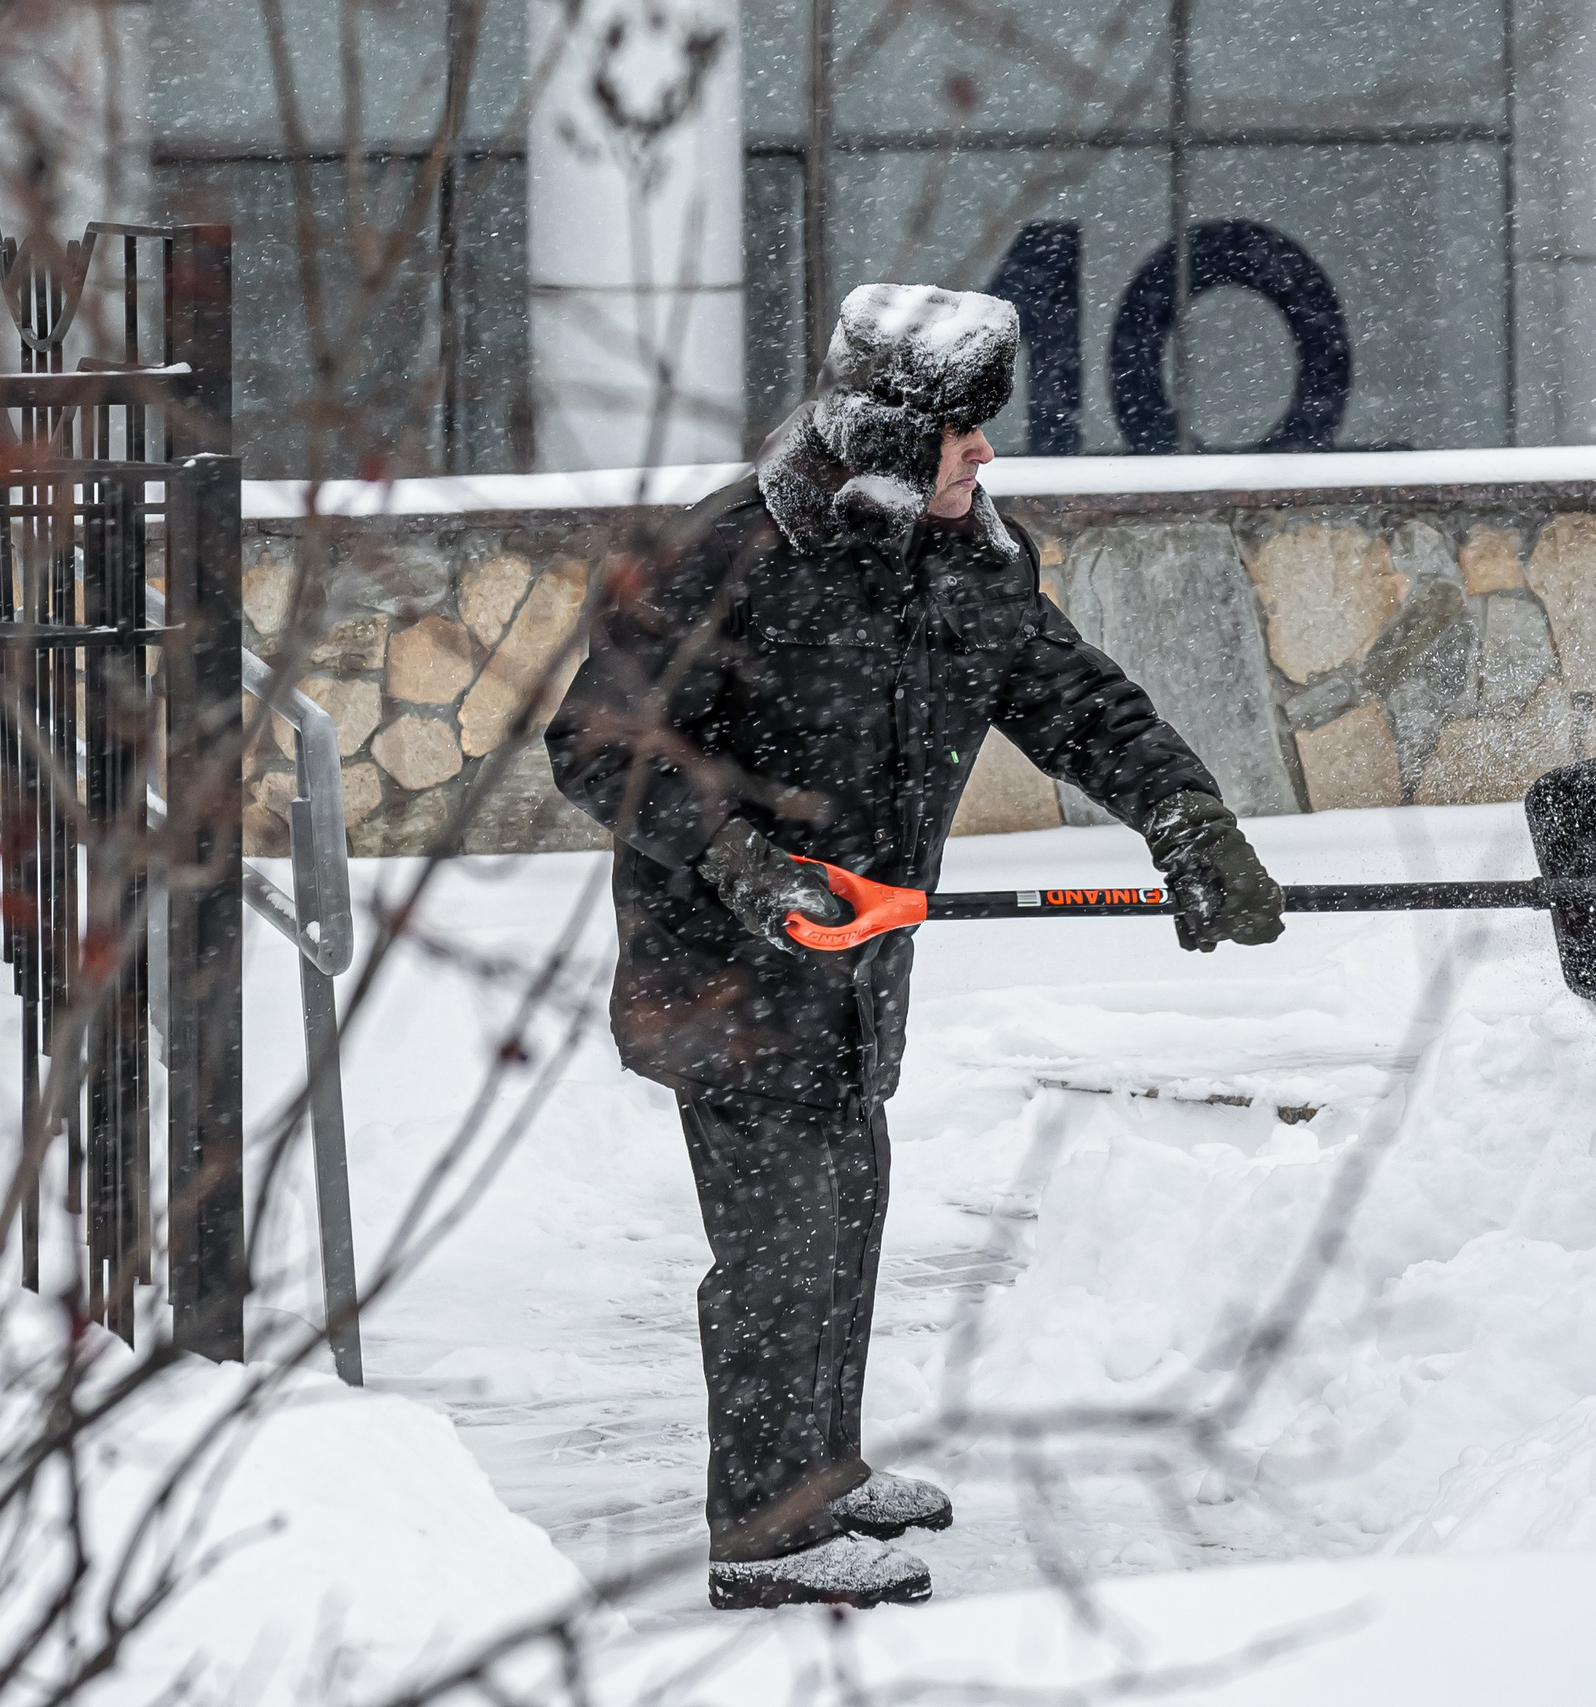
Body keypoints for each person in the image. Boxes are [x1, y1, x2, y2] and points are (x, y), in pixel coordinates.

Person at [547, 283, 1286, 1609]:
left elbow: (1075, 703)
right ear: (890, 444)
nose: (988, 457)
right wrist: (741, 862)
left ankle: (818, 1468)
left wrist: (1184, 814)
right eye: (965, 435)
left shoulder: (969, 560)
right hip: (724, 958)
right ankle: (764, 1536)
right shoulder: (723, 558)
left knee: (844, 1208)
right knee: (780, 1242)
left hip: (854, 958)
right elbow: (595, 744)